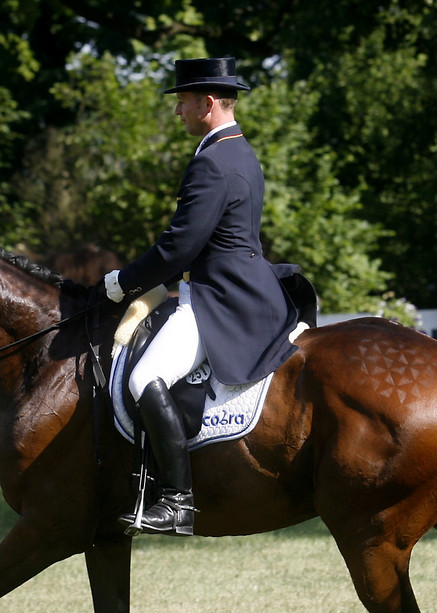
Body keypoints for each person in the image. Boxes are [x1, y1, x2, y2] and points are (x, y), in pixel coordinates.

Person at [103, 57, 299, 536]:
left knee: (145, 376)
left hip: (221, 297)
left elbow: (180, 246)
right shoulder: (238, 151)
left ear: (208, 103)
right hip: (237, 285)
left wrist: (122, 282)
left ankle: (177, 501)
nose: (178, 112)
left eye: (183, 102)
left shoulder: (214, 161)